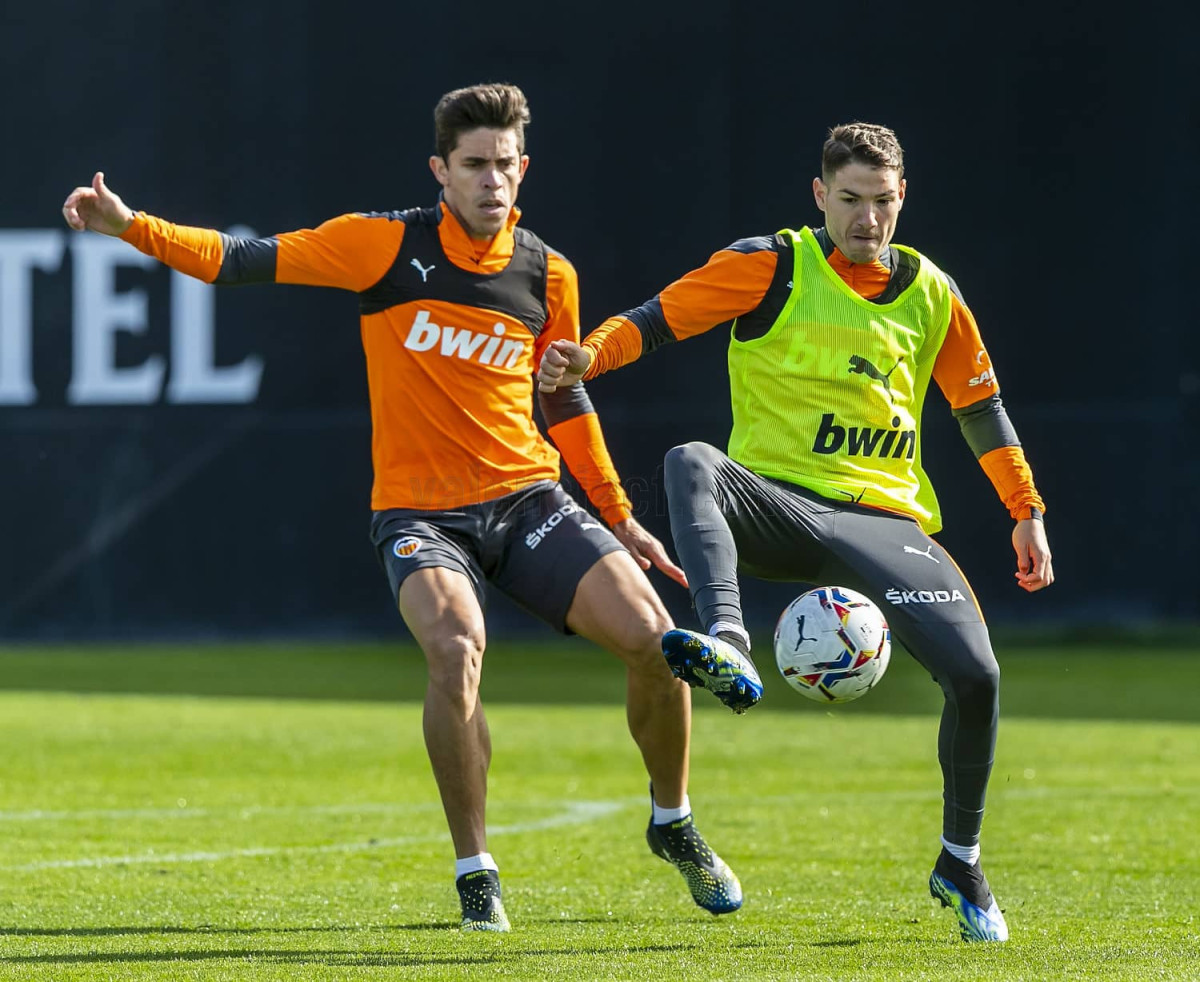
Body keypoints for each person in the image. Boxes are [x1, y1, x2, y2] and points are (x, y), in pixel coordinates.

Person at [62, 82, 744, 932]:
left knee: (654, 639)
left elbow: (565, 398)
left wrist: (617, 515)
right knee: (456, 648)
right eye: (474, 164)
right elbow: (237, 259)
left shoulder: (549, 273)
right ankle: (476, 872)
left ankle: (673, 821)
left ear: (523, 168)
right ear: (439, 171)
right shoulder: (380, 245)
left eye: (504, 164)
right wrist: (129, 225)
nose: (491, 180)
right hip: (422, 516)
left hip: (527, 499)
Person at [536, 121, 1054, 943]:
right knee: (691, 461)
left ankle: (960, 863)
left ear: (903, 197)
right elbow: (655, 320)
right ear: (819, 195)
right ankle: (730, 640)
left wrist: (1025, 510)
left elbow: (978, 407)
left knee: (978, 678)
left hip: (884, 522)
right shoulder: (770, 265)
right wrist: (588, 358)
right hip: (776, 505)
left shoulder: (932, 292)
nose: (867, 219)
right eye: (849, 200)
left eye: (882, 201)